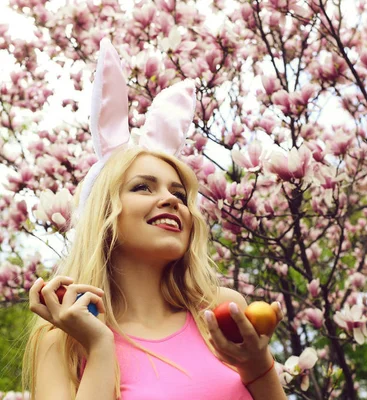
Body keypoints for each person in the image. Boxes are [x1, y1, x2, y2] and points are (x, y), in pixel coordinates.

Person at [22, 39, 287, 400]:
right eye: (143, 187)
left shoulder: (220, 312)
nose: (169, 200)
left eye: (179, 195)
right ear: (104, 215)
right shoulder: (64, 338)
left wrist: (258, 367)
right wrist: (100, 347)